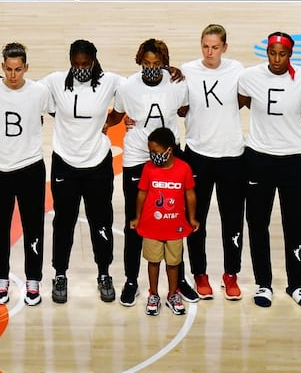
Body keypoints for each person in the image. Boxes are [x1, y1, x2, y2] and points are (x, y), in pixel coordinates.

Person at [238, 31, 301, 308]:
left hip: (294, 158)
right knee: (257, 222)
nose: (276, 59)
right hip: (259, 157)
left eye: (282, 54)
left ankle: (297, 284)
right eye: (272, 53)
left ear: (290, 54)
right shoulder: (250, 76)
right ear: (267, 52)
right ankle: (263, 284)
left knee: (295, 222)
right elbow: (242, 98)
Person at [105, 38, 188, 307]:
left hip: (169, 158)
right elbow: (116, 115)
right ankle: (131, 280)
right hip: (137, 158)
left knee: (175, 218)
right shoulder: (128, 87)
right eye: (147, 63)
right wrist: (97, 124)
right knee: (135, 221)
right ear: (140, 61)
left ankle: (180, 280)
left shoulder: (177, 83)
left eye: (157, 64)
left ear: (165, 64)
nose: (151, 68)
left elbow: (187, 110)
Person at [41, 40, 123, 304]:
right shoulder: (54, 81)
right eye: (75, 64)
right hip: (65, 163)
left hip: (98, 164)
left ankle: (103, 273)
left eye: (85, 64)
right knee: (63, 221)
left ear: (94, 61)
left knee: (101, 221)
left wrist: (114, 120)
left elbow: (137, 89)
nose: (80, 69)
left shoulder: (110, 81)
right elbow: (25, 90)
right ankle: (60, 273)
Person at [0, 42, 54, 306]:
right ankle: (1, 279)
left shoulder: (40, 92)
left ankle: (33, 281)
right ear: (1, 68)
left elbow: (61, 113)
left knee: (33, 227)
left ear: (26, 68)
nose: (12, 75)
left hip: (31, 167)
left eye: (18, 69)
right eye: (8, 69)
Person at [179, 24, 246, 300]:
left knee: (233, 220)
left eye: (215, 47)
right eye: (205, 46)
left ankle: (231, 274)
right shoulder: (187, 71)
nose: (209, 52)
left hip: (231, 155)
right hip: (197, 154)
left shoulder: (238, 70)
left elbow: (246, 99)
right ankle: (200, 273)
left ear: (225, 48)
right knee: (196, 219)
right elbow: (177, 104)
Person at [130, 127, 198, 316]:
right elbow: (142, 193)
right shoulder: (148, 168)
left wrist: (192, 218)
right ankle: (153, 294)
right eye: (150, 152)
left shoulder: (184, 168)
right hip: (152, 226)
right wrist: (137, 217)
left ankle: (172, 294)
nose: (153, 156)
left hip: (174, 226)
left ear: (169, 149)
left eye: (156, 152)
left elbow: (190, 194)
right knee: (153, 261)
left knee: (174, 262)